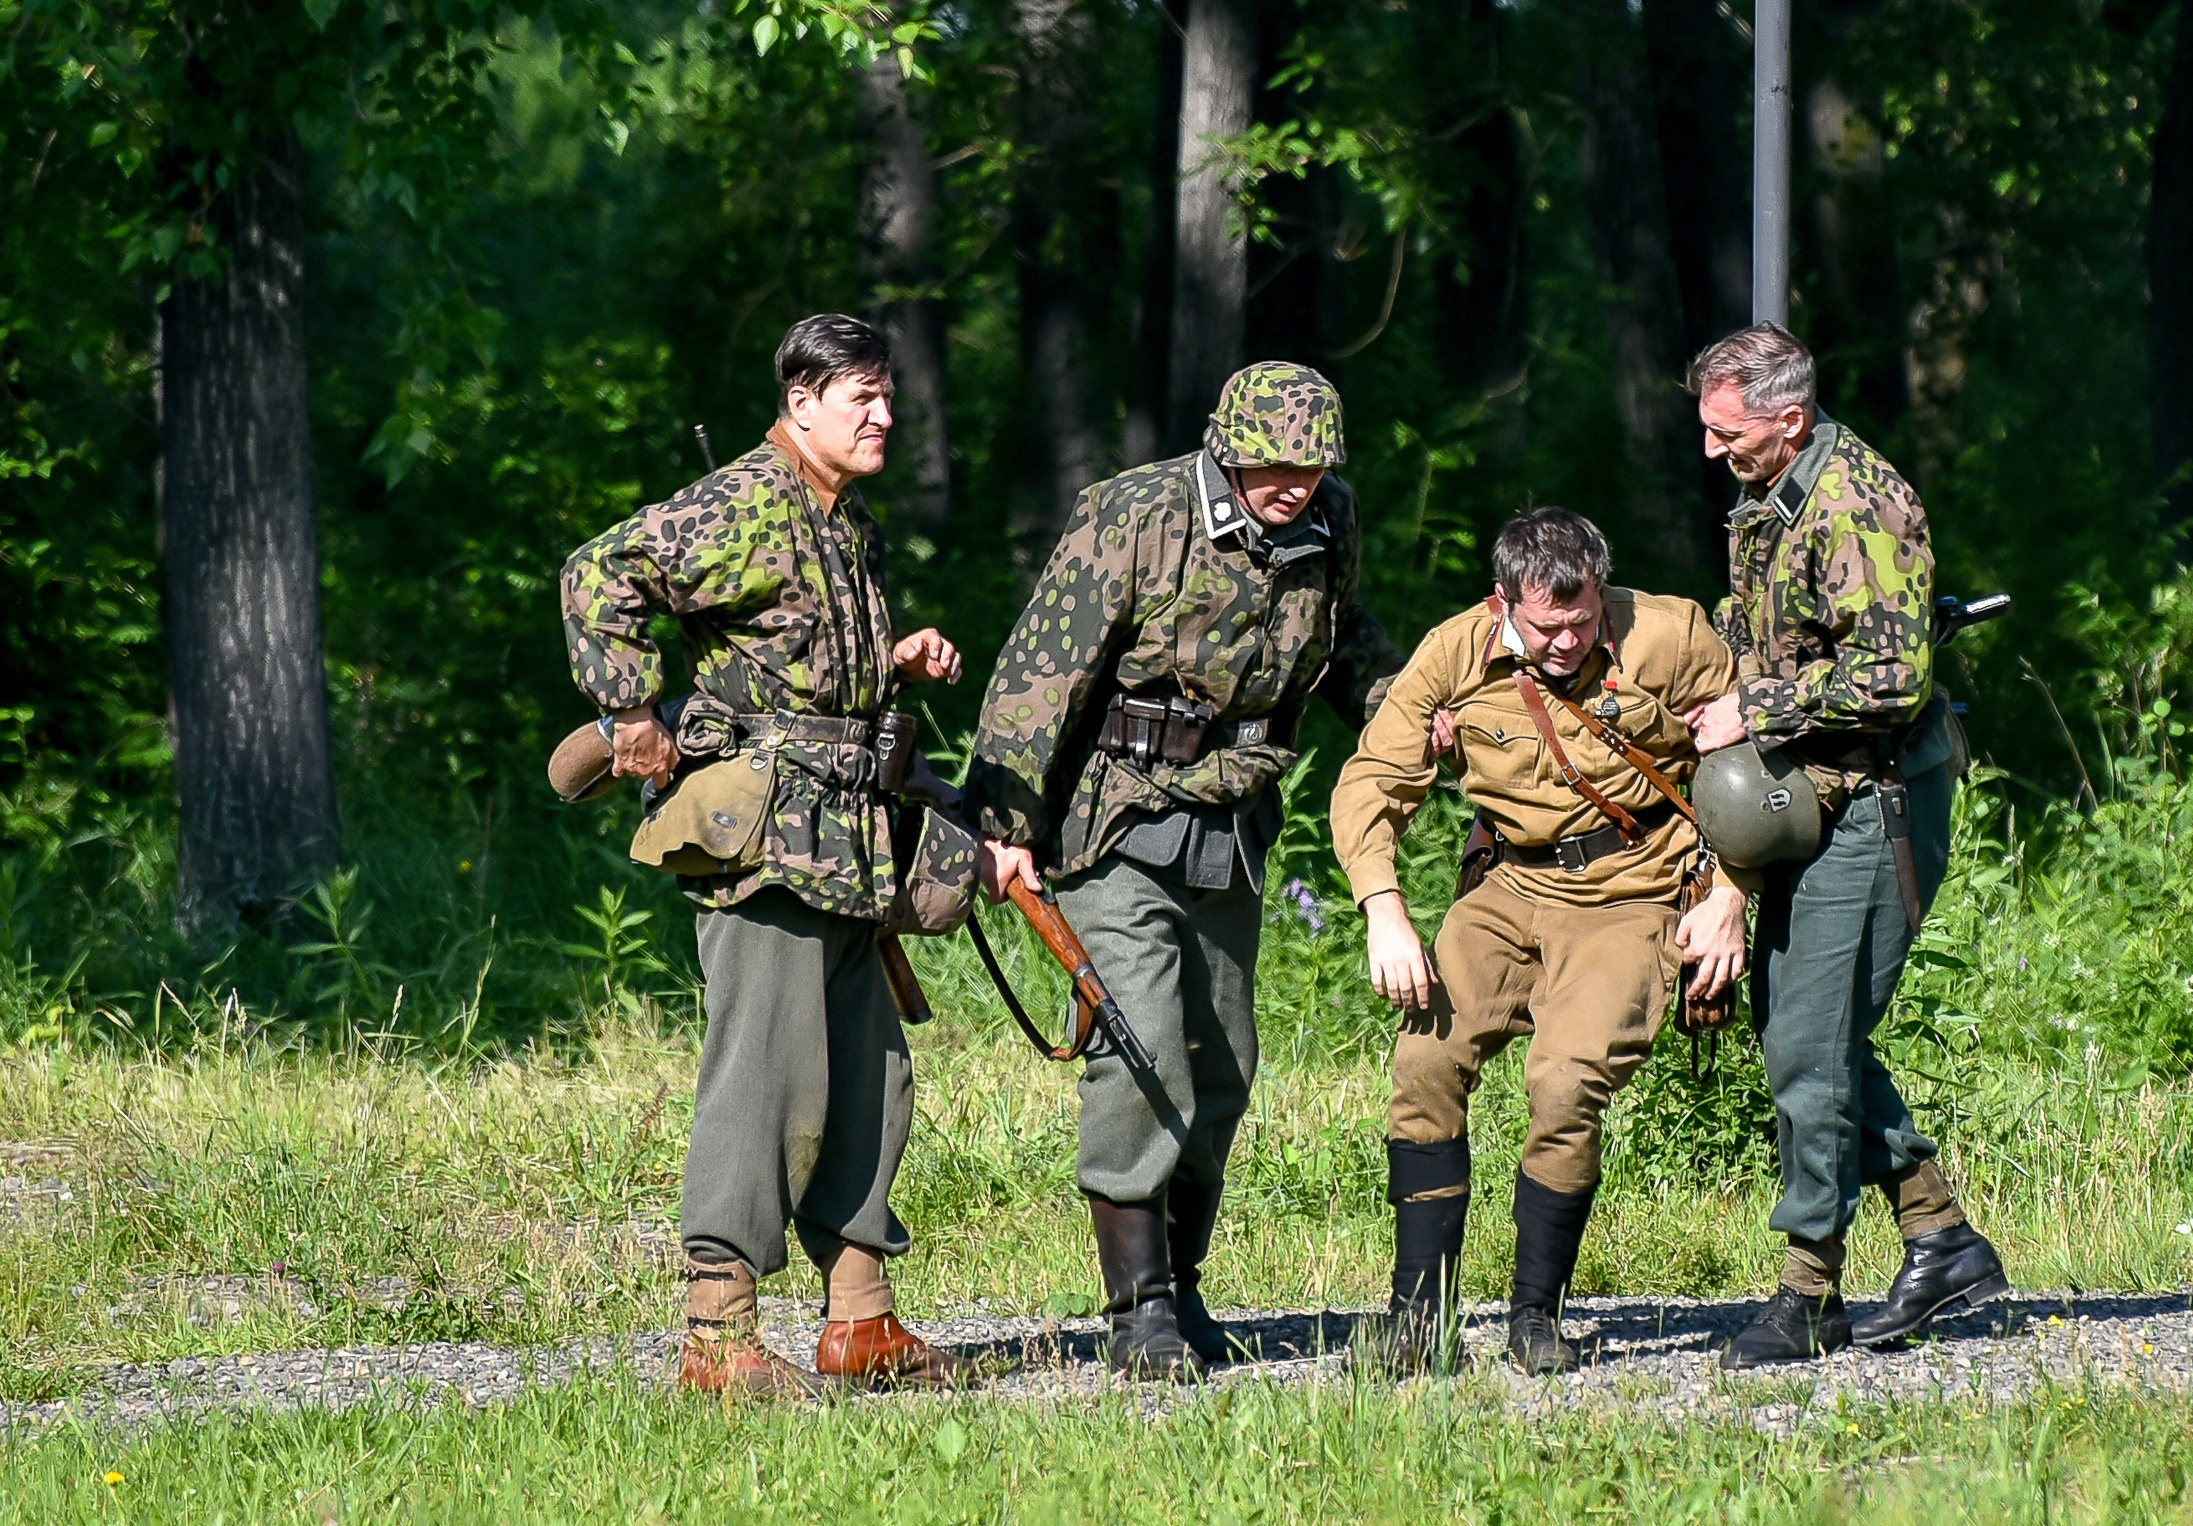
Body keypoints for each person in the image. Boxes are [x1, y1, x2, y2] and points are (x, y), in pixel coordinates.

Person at [559, 314, 977, 1398]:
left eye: (888, 395)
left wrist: (897, 659)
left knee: (873, 1077)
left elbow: (798, 655)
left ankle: (859, 1321)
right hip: (766, 840)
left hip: (851, 839)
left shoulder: (846, 519)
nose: (885, 415)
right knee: (763, 1083)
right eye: (862, 399)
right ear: (802, 403)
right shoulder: (743, 499)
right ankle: (716, 1335)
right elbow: (597, 572)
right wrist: (630, 708)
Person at [967, 362, 1403, 1379]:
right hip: (1111, 816)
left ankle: (1186, 1279)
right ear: (1226, 444)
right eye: (1272, 462)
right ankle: (1139, 1307)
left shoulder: (1328, 521)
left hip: (1231, 821)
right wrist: (1004, 821)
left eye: (1310, 464)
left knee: (1224, 1062)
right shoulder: (1135, 514)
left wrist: (1413, 708)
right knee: (1142, 1048)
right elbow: (1041, 670)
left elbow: (1345, 644)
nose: (1292, 481)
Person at [1331, 507, 1753, 1374]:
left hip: (1631, 890)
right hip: (1509, 882)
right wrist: (1384, 906)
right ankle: (1420, 1322)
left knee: (1564, 1084)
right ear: (1502, 602)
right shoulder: (1456, 650)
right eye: (1544, 625)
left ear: (1603, 592)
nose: (1566, 641)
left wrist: (1732, 893)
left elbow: (1756, 770)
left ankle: (1535, 1315)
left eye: (1583, 620)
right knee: (1425, 1064)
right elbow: (1376, 776)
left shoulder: (1670, 635)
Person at [1684, 322, 2008, 1369]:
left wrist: (1754, 707)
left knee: (1810, 1048)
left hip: (1874, 805)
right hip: (1812, 793)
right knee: (1799, 1030)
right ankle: (1940, 1235)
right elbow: (1757, 623)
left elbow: (1891, 678)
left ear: (1787, 418)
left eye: (1726, 430)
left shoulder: (1856, 504)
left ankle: (1807, 1290)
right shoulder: (1768, 492)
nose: (1710, 450)